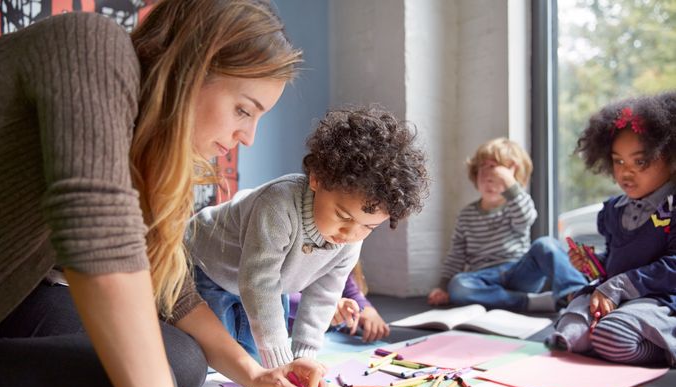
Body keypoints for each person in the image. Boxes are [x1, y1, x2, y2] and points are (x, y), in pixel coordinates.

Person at [0, 1, 329, 387]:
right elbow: (98, 247)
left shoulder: (139, 144)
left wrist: (254, 373)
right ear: (193, 68)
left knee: (180, 362)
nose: (248, 137)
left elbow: (171, 289)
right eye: (244, 110)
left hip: (5, 306)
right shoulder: (92, 48)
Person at [188, 106, 428, 367]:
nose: (351, 234)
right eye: (343, 216)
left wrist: (304, 357)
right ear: (316, 179)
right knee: (221, 361)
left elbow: (324, 295)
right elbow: (258, 284)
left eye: (368, 227)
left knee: (257, 360)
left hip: (268, 282)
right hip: (208, 265)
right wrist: (282, 365)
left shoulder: (351, 238)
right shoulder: (278, 205)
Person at [547, 94, 676, 366]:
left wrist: (616, 287)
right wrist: (593, 265)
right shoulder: (614, 210)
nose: (626, 173)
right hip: (618, 299)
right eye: (618, 161)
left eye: (640, 162)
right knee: (568, 328)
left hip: (659, 301)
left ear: (671, 158)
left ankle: (662, 348)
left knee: (611, 335)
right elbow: (615, 265)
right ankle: (599, 340)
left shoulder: (672, 207)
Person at [427, 138, 586, 312]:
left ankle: (579, 294)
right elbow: (456, 255)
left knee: (546, 244)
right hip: (484, 278)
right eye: (484, 171)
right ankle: (529, 302)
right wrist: (443, 287)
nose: (489, 180)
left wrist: (509, 183)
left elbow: (527, 218)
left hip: (519, 272)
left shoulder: (515, 207)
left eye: (497, 175)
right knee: (458, 285)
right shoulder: (466, 215)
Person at [288, 263, 391, 343]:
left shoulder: (343, 250)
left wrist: (365, 308)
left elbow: (348, 286)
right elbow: (277, 296)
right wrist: (323, 306)